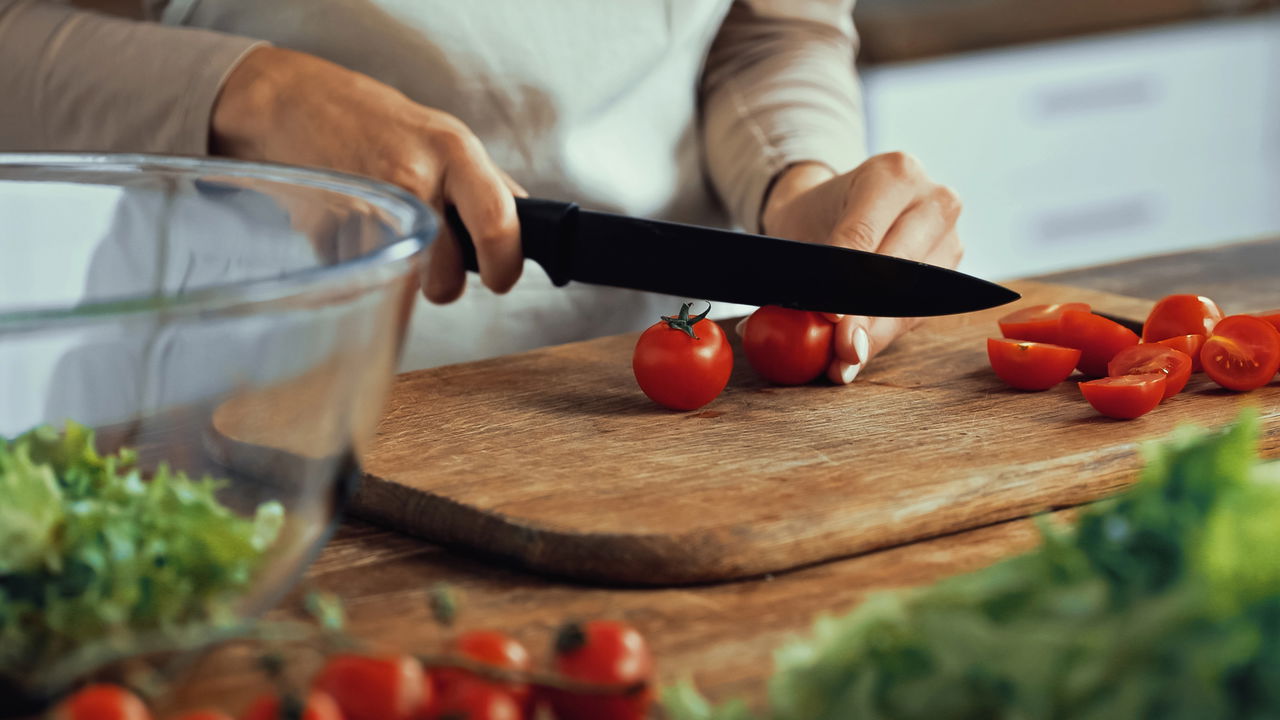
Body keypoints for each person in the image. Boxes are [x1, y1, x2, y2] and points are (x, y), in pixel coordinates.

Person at [0, 0, 963, 383]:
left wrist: (796, 183)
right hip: (245, 403)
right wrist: (260, 92)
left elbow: (768, 29)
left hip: (644, 395)